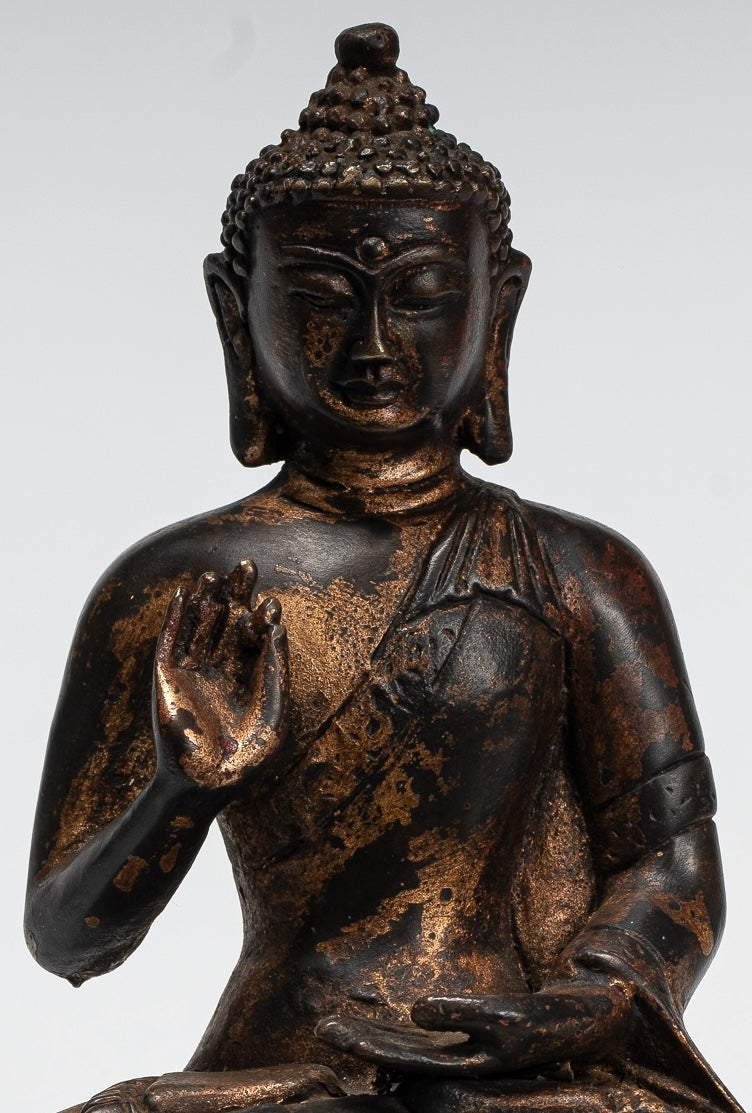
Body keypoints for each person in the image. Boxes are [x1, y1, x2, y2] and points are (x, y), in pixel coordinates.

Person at [26, 23, 743, 1113]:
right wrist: (179, 790)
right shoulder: (180, 586)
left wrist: (587, 998)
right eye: (320, 297)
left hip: (504, 1077)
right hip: (277, 1075)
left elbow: (674, 863)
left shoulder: (578, 572)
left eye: (418, 293)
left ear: (496, 304)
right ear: (234, 309)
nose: (371, 344)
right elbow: (68, 939)